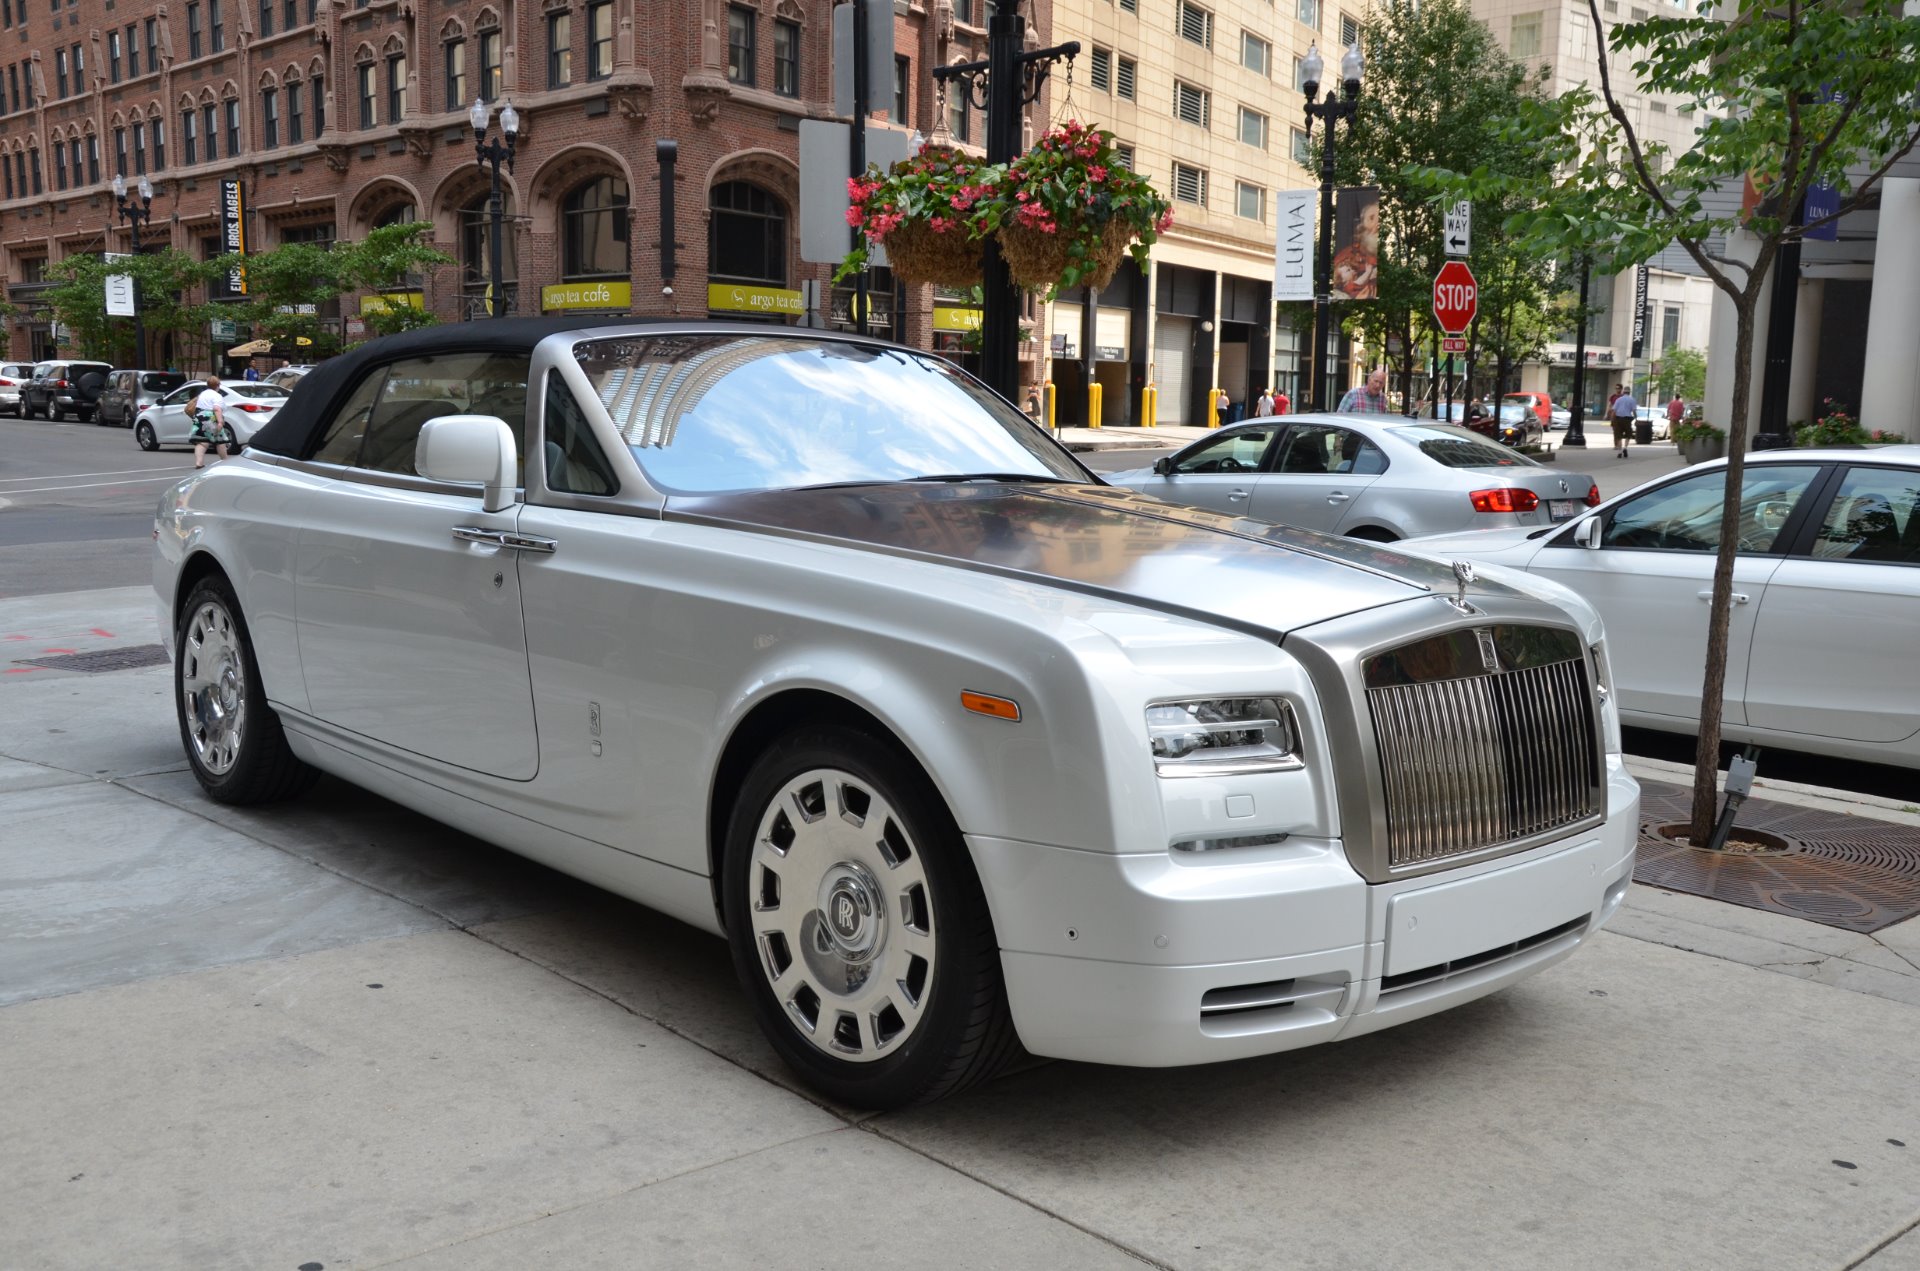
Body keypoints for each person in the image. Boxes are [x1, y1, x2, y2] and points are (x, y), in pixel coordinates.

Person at [1331, 201, 1380, 300]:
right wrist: (1368, 272)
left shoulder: (1371, 255)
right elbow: (1361, 281)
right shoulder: (1346, 255)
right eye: (1371, 218)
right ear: (1361, 227)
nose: (1377, 223)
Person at [191, 376, 233, 469]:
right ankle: (225, 461)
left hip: (198, 417)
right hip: (210, 418)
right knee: (220, 441)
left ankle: (199, 463)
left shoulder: (202, 394)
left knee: (202, 442)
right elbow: (217, 409)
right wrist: (220, 422)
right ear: (218, 385)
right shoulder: (217, 395)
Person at [1610, 384, 1639, 458]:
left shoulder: (1619, 399)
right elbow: (1634, 411)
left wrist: (1612, 419)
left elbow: (1614, 410)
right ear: (1629, 392)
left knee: (1618, 435)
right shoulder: (1632, 399)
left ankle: (1619, 451)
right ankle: (1625, 447)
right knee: (1628, 434)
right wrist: (1636, 419)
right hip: (1627, 419)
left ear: (1623, 392)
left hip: (1618, 419)